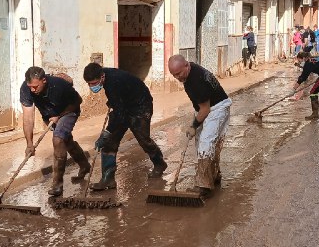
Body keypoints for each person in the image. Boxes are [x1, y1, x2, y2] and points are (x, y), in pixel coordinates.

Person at [82, 63, 168, 191]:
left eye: (94, 83)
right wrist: (114, 101)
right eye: (89, 84)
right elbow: (119, 108)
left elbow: (120, 116)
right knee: (109, 143)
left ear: (102, 77)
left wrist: (107, 132)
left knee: (143, 138)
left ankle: (159, 163)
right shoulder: (104, 76)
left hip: (141, 106)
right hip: (123, 105)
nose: (92, 87)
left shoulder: (115, 81)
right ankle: (108, 179)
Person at [167, 55, 232, 198]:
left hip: (217, 108)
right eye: (174, 75)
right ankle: (213, 176)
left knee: (205, 143)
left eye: (179, 73)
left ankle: (203, 186)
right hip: (207, 107)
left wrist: (193, 125)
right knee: (202, 144)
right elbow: (201, 107)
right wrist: (195, 124)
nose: (177, 77)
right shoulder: (190, 72)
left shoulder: (195, 81)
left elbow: (205, 109)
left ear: (186, 65)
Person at [21, 66, 90, 197]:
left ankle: (57, 184)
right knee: (65, 141)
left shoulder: (59, 84)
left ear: (44, 80)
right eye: (30, 86)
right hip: (49, 115)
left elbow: (77, 101)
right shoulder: (26, 89)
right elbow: (28, 118)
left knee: (58, 139)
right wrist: (29, 143)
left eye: (35, 86)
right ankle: (84, 165)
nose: (32, 90)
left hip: (68, 111)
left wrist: (60, 115)